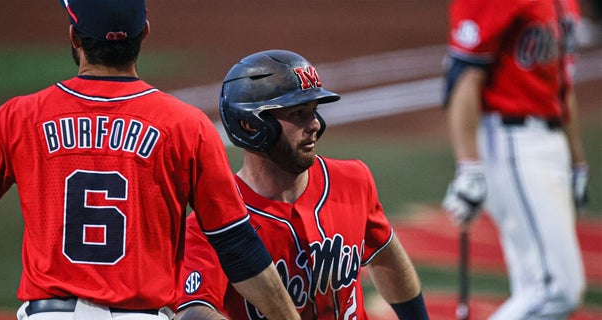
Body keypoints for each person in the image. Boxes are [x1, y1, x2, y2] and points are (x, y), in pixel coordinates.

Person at [0, 1, 300, 319]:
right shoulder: (185, 126)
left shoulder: (21, 117)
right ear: (144, 33)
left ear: (74, 37)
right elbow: (236, 244)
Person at [173, 50, 430, 320]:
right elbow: (193, 313)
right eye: (298, 114)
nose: (315, 124)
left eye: (314, 111)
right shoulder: (215, 223)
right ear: (251, 125)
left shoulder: (352, 180)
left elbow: (385, 255)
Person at [441, 0, 589, 319]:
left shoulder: (567, 4)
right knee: (556, 290)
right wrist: (469, 167)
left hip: (551, 140)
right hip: (512, 142)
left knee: (534, 288)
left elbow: (563, 89)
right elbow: (464, 77)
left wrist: (577, 164)